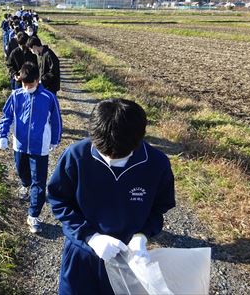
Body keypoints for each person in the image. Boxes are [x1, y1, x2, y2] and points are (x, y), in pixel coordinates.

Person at [47, 98, 175, 294]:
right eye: (103, 153)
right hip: (82, 254)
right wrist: (91, 237)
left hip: (127, 258)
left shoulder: (157, 164)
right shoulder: (76, 156)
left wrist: (142, 236)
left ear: (139, 139)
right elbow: (59, 200)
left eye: (120, 156)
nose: (110, 158)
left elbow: (160, 207)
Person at [0, 62, 62, 234]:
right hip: (19, 145)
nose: (27, 87)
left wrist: (55, 139)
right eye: (24, 84)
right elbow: (7, 116)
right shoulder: (16, 95)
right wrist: (2, 134)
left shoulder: (49, 98)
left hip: (39, 147)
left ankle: (33, 215)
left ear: (38, 80)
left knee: (39, 182)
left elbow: (56, 121)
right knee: (22, 171)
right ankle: (25, 184)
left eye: (30, 84)